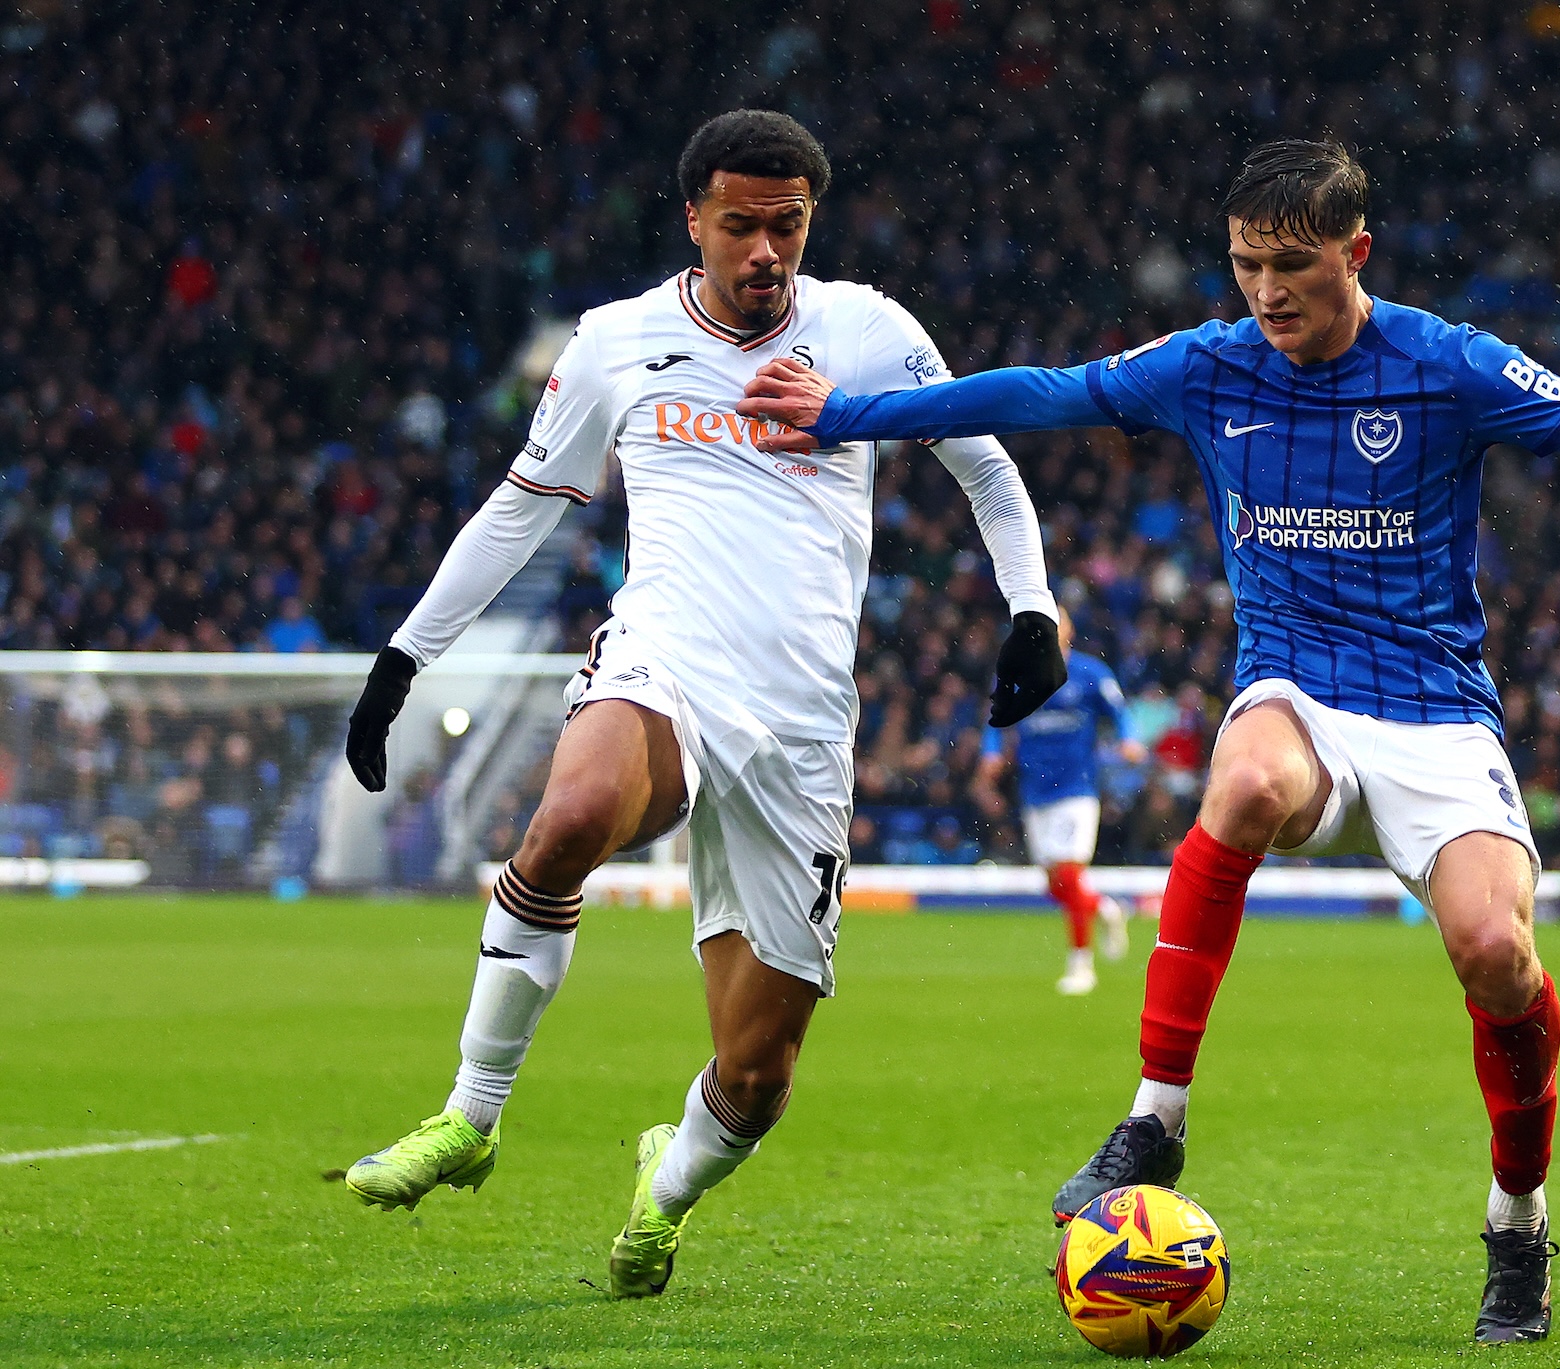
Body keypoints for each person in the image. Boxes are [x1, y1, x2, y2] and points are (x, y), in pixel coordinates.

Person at [740, 139, 1560, 1342]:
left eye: (1290, 264)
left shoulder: (1444, 365)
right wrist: (845, 414)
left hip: (1434, 710)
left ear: (1354, 254)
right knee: (1248, 778)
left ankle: (1516, 1225)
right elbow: (1041, 393)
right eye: (1244, 264)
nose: (1264, 291)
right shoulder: (1207, 367)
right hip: (1295, 689)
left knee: (1496, 955)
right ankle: (1154, 1117)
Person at [336, 111, 1063, 1299]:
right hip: (664, 661)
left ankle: (662, 1186)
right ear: (694, 219)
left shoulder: (869, 330)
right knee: (567, 819)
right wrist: (403, 659)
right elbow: (524, 505)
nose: (765, 249)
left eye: (787, 225)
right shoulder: (617, 342)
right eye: (741, 225)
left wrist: (1031, 606)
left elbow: (983, 464)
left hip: (803, 725)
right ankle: (470, 1113)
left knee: (757, 1072)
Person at [973, 604, 1146, 994]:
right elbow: (996, 720)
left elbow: (1119, 711)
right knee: (1055, 886)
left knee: (1069, 875)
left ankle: (1081, 966)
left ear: (1067, 629)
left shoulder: (1088, 674)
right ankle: (1104, 907)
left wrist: (1129, 738)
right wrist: (991, 751)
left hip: (1077, 788)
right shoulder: (1015, 673)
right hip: (1035, 789)